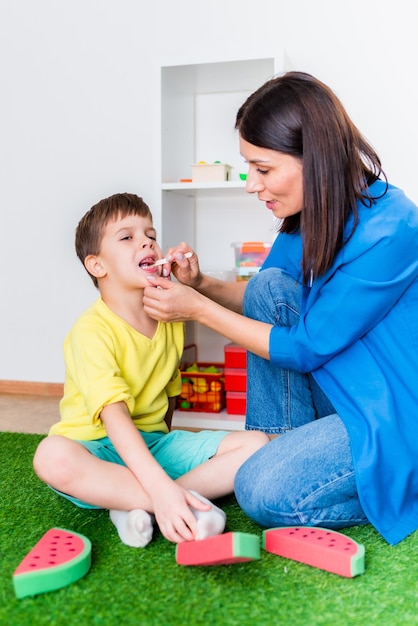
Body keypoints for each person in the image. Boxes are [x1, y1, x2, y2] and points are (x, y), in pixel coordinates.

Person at [142, 72, 418, 546]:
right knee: (267, 286)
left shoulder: (392, 228)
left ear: (315, 159)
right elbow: (262, 302)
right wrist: (202, 285)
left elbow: (306, 347)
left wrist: (198, 310)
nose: (253, 185)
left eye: (263, 169)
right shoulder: (311, 214)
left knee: (260, 491)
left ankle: (395, 480)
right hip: (344, 383)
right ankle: (273, 446)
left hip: (390, 408)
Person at [33, 193, 269, 548]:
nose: (146, 241)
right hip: (96, 449)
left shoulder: (170, 318)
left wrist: (163, 470)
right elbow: (114, 419)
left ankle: (137, 500)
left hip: (154, 444)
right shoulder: (90, 332)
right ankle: (172, 499)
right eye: (127, 237)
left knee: (256, 443)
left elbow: (168, 397)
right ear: (97, 266)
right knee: (51, 456)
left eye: (151, 235)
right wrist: (159, 485)